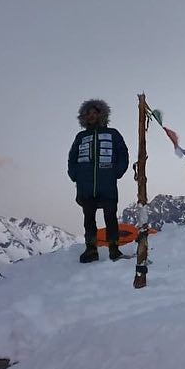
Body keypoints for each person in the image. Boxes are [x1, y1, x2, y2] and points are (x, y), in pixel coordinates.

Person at [67, 99, 130, 263]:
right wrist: (74, 175)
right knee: (88, 219)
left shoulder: (113, 134)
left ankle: (114, 249)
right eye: (88, 114)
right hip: (85, 186)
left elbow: (123, 153)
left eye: (95, 113)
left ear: (102, 115)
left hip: (107, 184)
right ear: (84, 117)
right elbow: (72, 157)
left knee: (110, 217)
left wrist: (117, 171)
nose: (92, 116)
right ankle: (91, 249)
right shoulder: (80, 137)